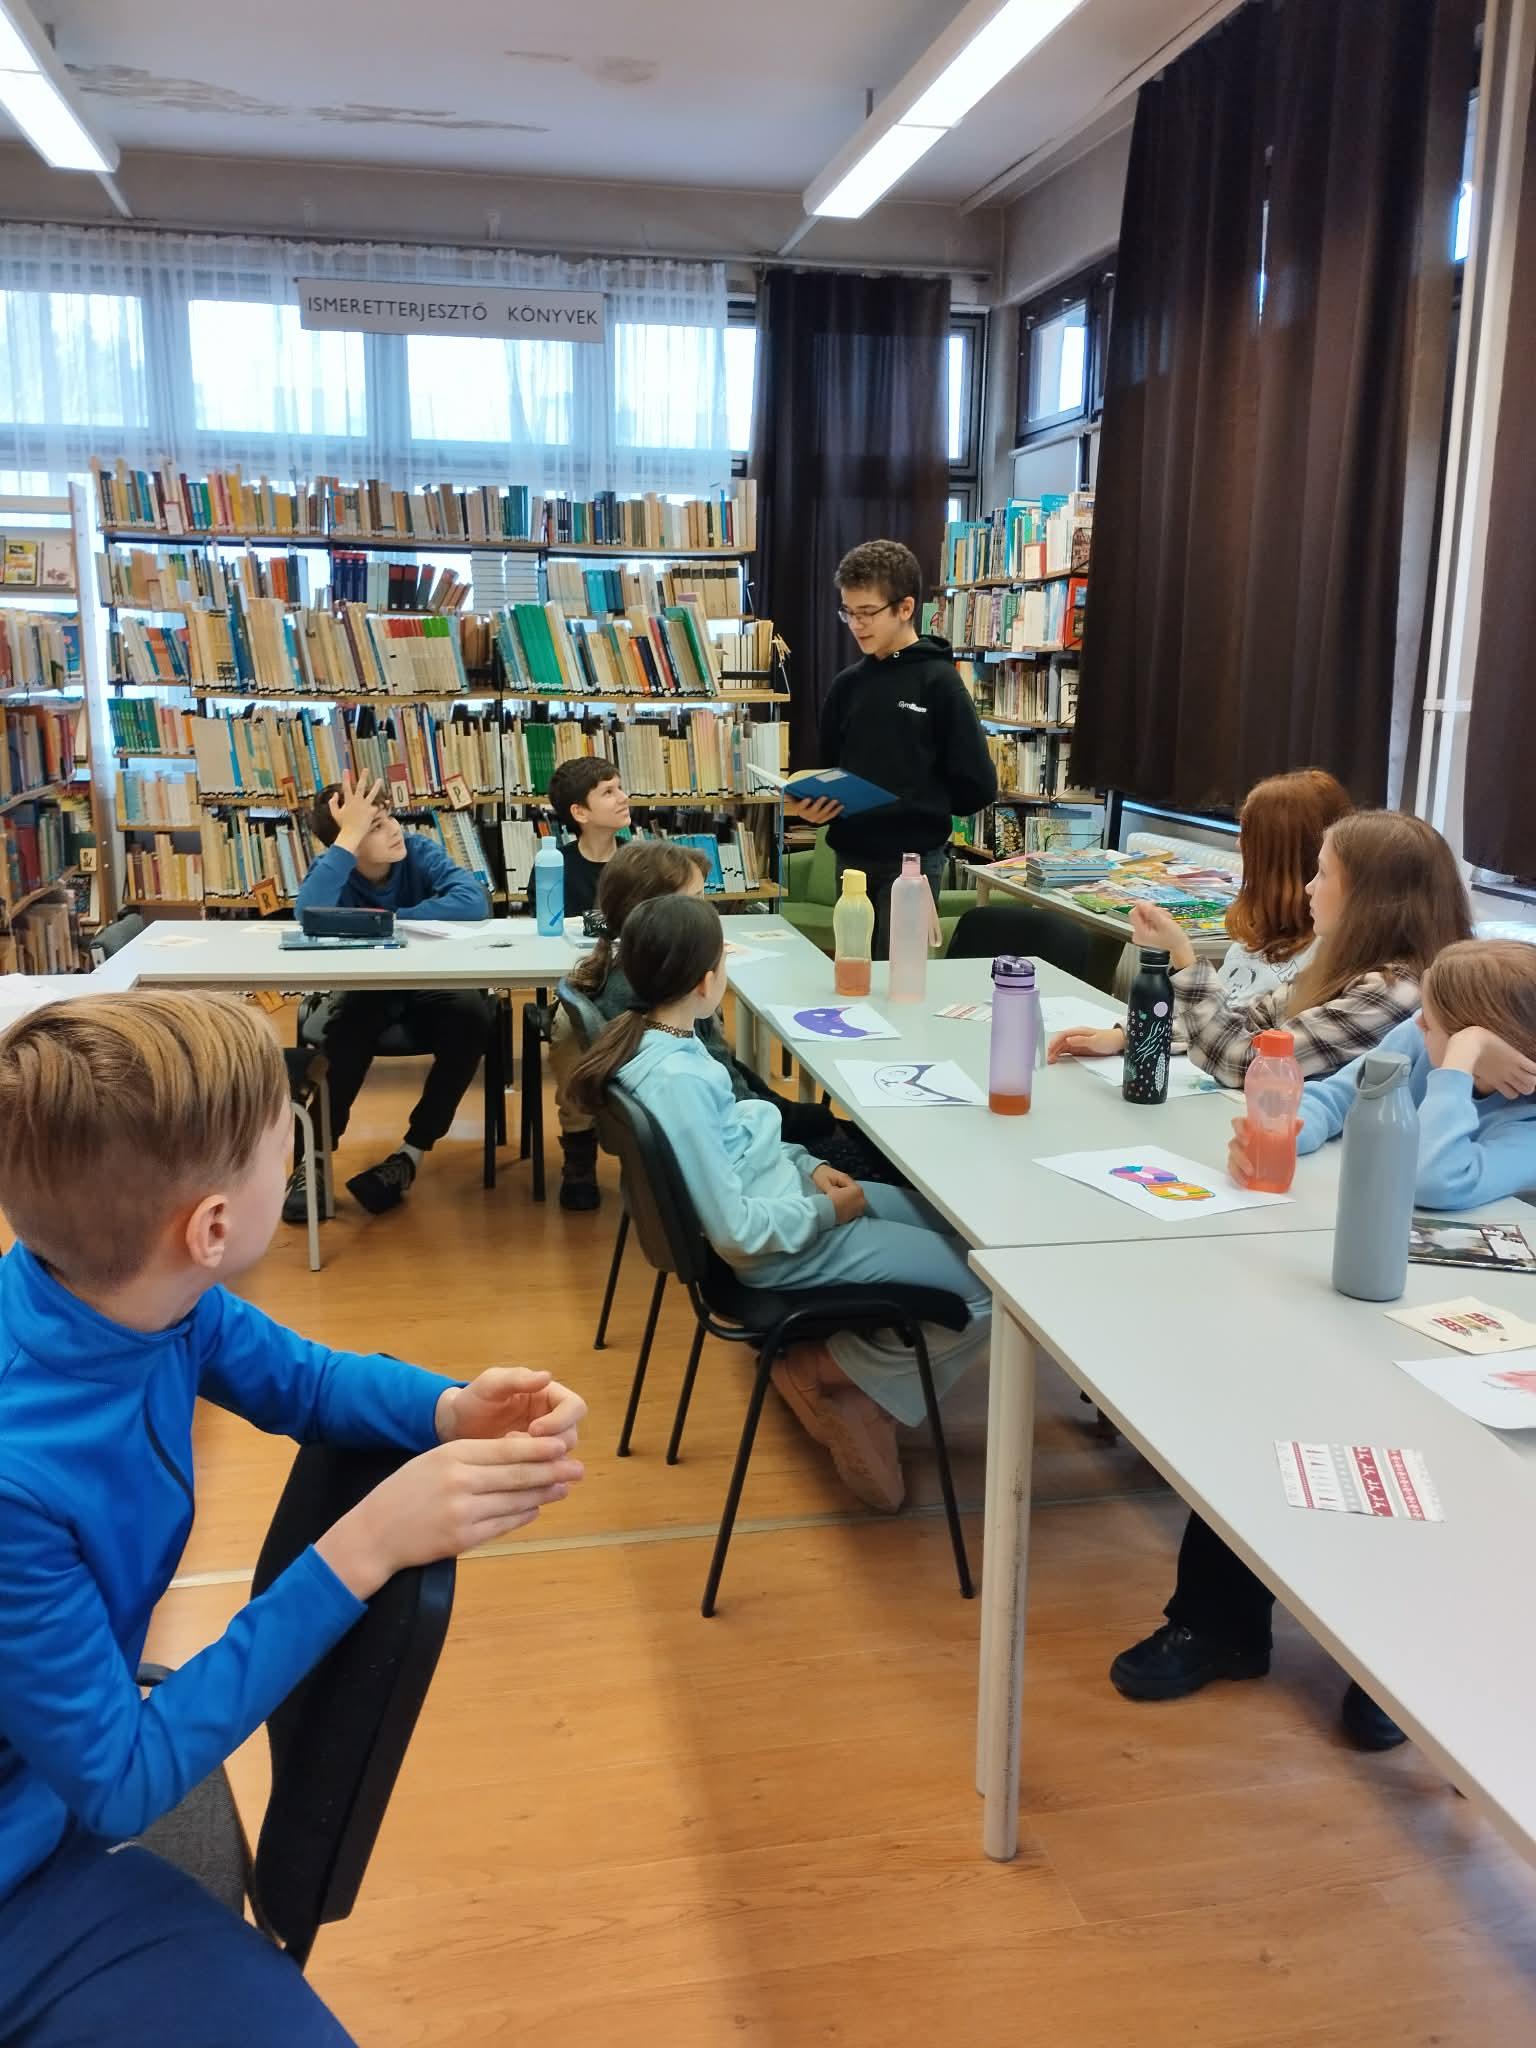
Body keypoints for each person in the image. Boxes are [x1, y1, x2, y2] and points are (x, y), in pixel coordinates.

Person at [0, 991, 586, 2047]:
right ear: (212, 1227)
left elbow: (305, 1379)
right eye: (286, 1144)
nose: (296, 1155)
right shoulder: (17, 1482)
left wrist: (452, 1408)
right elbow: (122, 1782)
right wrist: (362, 1546)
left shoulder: (129, 1297)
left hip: (54, 1785)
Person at [1113, 938, 1536, 1754]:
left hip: (1477, 1336)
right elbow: (1342, 1094)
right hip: (1379, 1282)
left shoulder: (1516, 1110)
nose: (1419, 1033)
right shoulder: (1427, 1034)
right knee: (1264, 1396)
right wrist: (1282, 1133)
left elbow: (1436, 1178)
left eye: (1438, 1027)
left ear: (1495, 1041)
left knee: (1432, 1465)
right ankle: (1219, 1624)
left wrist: (1456, 1068)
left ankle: (1404, 1660)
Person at [567, 894, 991, 1512]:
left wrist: (810, 1165)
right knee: (992, 1289)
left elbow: (744, 1138)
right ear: (707, 980)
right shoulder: (680, 1080)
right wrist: (827, 1212)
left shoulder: (663, 1044)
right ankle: (839, 1372)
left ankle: (851, 1370)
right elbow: (736, 1232)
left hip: (790, 1200)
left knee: (965, 1233)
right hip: (785, 1244)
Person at [550, 838, 909, 1208]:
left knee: (866, 1143)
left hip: (737, 1145)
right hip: (748, 1161)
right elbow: (733, 1101)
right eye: (696, 900)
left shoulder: (639, 977)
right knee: (895, 1164)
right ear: (657, 912)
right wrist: (811, 1120)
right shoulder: (664, 998)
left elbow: (729, 1075)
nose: (711, 916)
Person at [1049, 812, 1473, 1087]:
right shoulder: (1344, 964)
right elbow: (1245, 1020)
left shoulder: (1391, 991)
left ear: (1369, 898)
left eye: (1323, 875)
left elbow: (1239, 1061)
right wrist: (1130, 1036)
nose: (1310, 888)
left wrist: (1182, 955)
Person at [287, 775, 494, 1220]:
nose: (395, 829)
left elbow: (473, 901)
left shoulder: (417, 851)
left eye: (389, 818)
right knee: (346, 1036)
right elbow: (307, 914)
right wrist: (347, 841)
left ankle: (410, 1154)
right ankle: (312, 1160)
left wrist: (386, 921)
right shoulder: (333, 868)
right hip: (368, 985)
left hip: (429, 981)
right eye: (375, 826)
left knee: (473, 1016)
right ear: (348, 839)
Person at [787, 539, 997, 958]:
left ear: (905, 607)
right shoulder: (847, 685)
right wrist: (814, 808)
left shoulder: (940, 683)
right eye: (848, 612)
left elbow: (978, 787)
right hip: (851, 860)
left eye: (867, 612)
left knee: (903, 978)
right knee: (853, 974)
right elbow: (829, 770)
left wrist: (919, 798)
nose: (856, 624)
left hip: (913, 862)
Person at [1214, 767, 1352, 1005]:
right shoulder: (1258, 931)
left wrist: (1182, 955)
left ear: (1279, 856)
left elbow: (1229, 1025)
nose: (1239, 844)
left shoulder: (1324, 957)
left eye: (1249, 836)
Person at [547, 756, 631, 920]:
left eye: (619, 788)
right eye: (608, 792)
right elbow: (547, 925)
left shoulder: (641, 863)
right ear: (580, 812)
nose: (624, 798)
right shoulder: (551, 868)